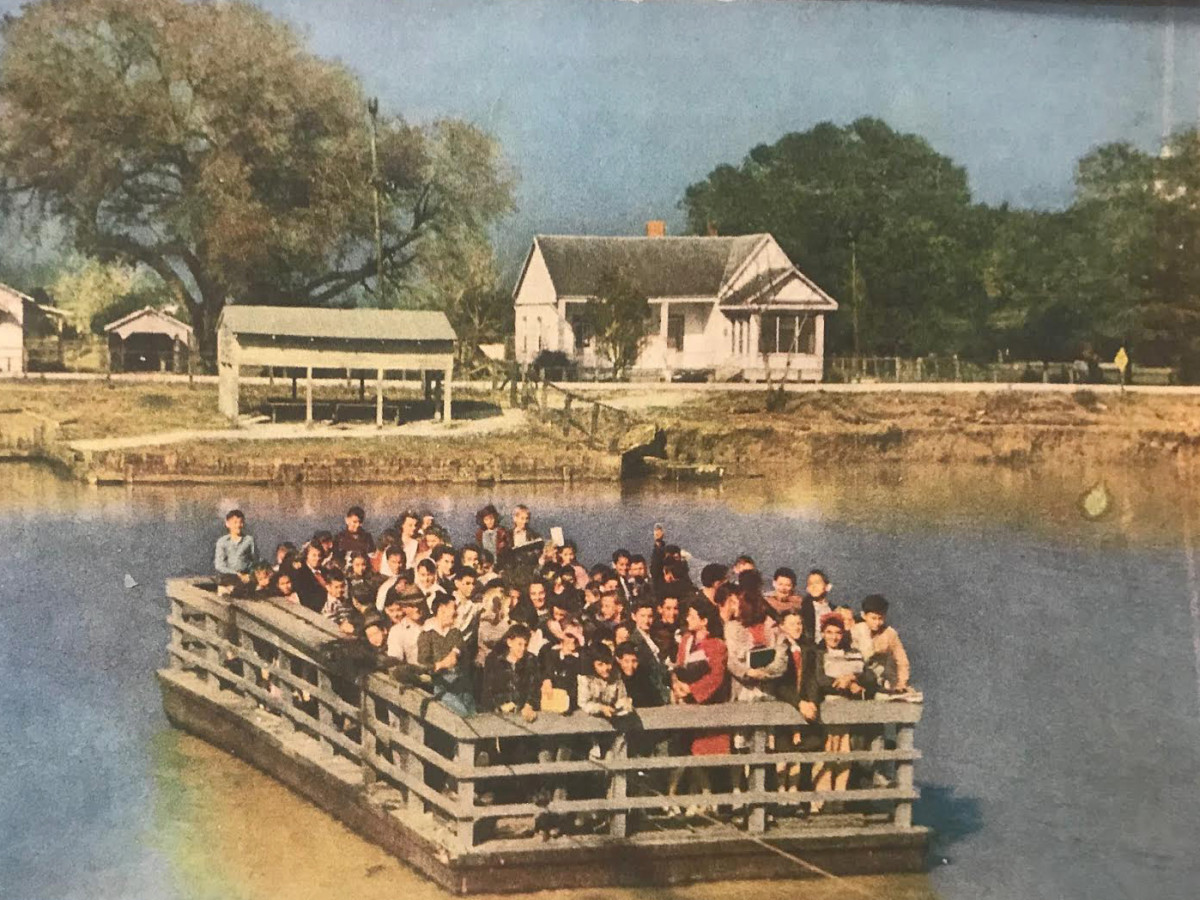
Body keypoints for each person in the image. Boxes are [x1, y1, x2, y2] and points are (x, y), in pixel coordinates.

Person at [812, 613, 876, 809]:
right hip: (826, 708)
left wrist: (852, 678)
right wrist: (844, 684)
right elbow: (819, 680)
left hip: (846, 709)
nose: (834, 637)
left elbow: (869, 676)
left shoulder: (853, 653)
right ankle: (820, 802)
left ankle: (838, 801)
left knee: (844, 752)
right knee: (827, 751)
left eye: (838, 633)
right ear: (823, 633)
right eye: (829, 632)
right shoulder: (818, 653)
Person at [417, 596, 474, 716]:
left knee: (473, 714)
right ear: (441, 609)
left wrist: (455, 652)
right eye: (454, 608)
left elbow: (462, 651)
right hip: (440, 685)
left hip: (460, 684)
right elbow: (423, 664)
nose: (456, 612)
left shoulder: (455, 632)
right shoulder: (427, 635)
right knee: (464, 716)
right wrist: (441, 664)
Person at [850, 595, 911, 693]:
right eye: (873, 618)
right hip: (857, 677)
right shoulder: (855, 631)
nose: (877, 623)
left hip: (879, 678)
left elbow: (902, 661)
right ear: (864, 616)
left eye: (880, 618)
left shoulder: (890, 634)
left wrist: (902, 682)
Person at [480, 624, 540, 722]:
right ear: (509, 642)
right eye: (519, 644)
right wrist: (501, 705)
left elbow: (534, 688)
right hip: (499, 713)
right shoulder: (494, 661)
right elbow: (488, 690)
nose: (523, 649)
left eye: (525, 645)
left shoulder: (531, 660)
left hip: (523, 712)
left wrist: (529, 705)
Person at [214, 509, 258, 588]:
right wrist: (236, 574)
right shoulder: (222, 541)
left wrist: (249, 574)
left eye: (241, 522)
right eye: (235, 522)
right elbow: (219, 565)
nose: (238, 525)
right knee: (228, 580)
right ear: (227, 524)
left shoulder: (249, 540)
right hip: (229, 575)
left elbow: (255, 560)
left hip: (245, 574)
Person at [384, 589, 424, 667]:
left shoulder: (432, 622)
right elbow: (395, 661)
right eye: (412, 606)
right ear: (404, 608)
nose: (417, 609)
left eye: (420, 604)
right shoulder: (397, 631)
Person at [800, 569, 834, 645]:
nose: (814, 586)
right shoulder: (802, 608)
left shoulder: (833, 609)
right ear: (807, 589)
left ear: (827, 586)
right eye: (810, 584)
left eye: (817, 583)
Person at [293, 543, 329, 613]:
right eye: (314, 555)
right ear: (307, 556)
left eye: (319, 555)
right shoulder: (300, 573)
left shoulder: (326, 572)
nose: (317, 558)